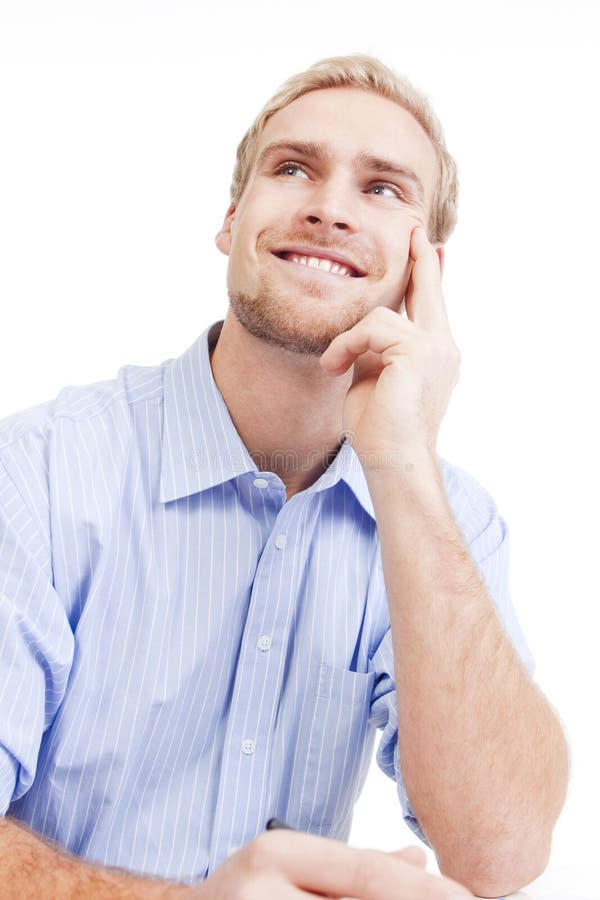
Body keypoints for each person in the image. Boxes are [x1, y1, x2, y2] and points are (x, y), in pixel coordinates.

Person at [0, 54, 568, 899]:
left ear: (427, 272)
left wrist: (404, 469)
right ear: (231, 220)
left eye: (383, 189)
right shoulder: (39, 474)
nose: (328, 207)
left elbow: (503, 853)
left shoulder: (448, 522)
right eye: (293, 167)